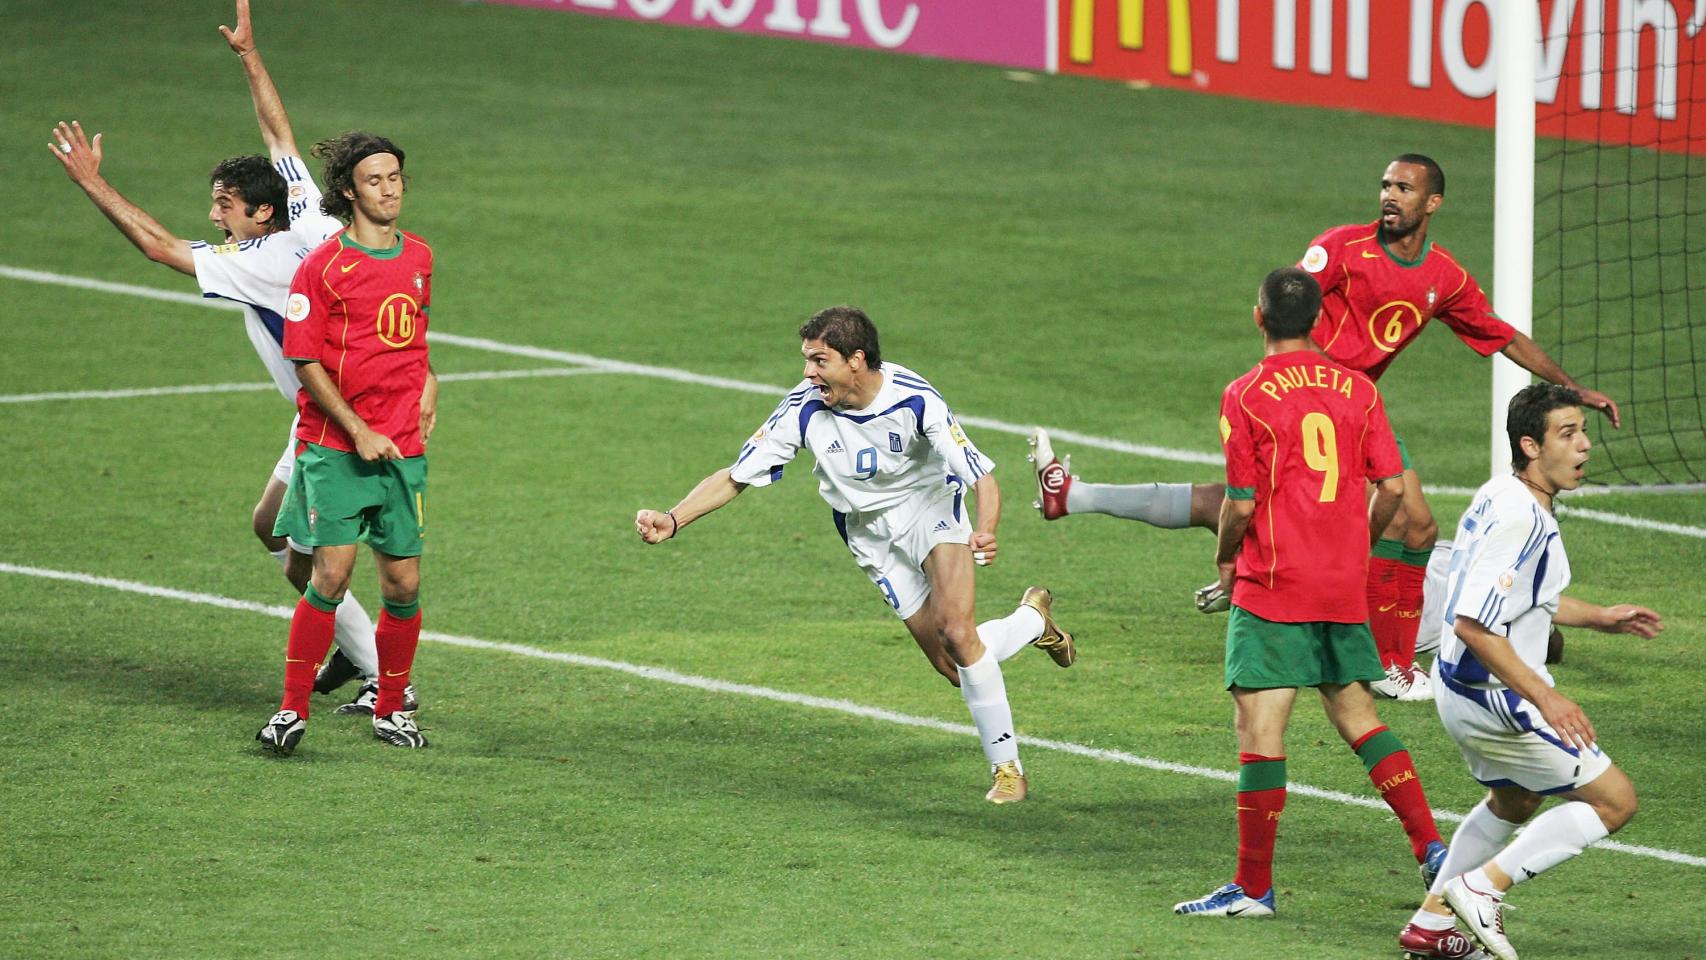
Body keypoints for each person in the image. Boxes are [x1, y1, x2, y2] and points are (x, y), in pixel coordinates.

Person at [1029, 154, 1620, 701]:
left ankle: (1076, 496)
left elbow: (1500, 333)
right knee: (1406, 524)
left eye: (1404, 188)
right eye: (1386, 185)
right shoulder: (1342, 247)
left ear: (1432, 203)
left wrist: (1569, 389)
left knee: (1263, 506)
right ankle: (1383, 662)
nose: (1390, 196)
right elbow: (1291, 301)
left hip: (1352, 407)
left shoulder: (1443, 276)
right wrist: (1305, 381)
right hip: (1314, 400)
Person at [46, 0, 409, 716]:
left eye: (225, 205)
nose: (215, 217)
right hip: (342, 397)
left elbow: (158, 247)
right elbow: (278, 131)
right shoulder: (305, 204)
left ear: (260, 214)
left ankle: (388, 684)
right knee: (274, 528)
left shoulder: (269, 260)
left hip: (341, 413)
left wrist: (90, 182)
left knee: (340, 557)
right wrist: (249, 56)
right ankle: (366, 659)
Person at [635, 306, 1075, 803]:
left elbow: (981, 477)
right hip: (869, 536)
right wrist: (673, 520)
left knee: (957, 629)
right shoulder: (804, 407)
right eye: (806, 360)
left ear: (855, 360)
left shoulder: (916, 401)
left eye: (819, 360)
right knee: (956, 666)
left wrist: (987, 529)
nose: (808, 372)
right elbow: (737, 474)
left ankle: (1007, 770)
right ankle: (1032, 621)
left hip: (930, 509)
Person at [1173, 267, 1448, 919]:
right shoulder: (1357, 390)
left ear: (1258, 317)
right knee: (1358, 716)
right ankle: (1434, 849)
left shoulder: (1245, 394)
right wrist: (1358, 545)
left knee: (1258, 726)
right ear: (1320, 321)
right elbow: (1389, 488)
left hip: (1274, 583)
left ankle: (1253, 887)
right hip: (1340, 581)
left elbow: (1239, 503)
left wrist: (1225, 562)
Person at [1396, 384, 1661, 960]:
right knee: (1615, 802)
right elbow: (1472, 621)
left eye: (1582, 432)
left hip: (1458, 686)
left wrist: (1598, 618)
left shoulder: (1504, 494)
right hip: (1493, 694)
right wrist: (1547, 698)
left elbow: (1512, 601)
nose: (1585, 446)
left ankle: (1433, 922)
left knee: (1514, 800)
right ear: (1530, 446)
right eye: (1568, 434)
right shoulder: (1524, 521)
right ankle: (1480, 887)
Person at [254, 129, 437, 754]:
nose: (388, 191)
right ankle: (291, 711)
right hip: (336, 448)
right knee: (330, 575)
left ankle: (392, 709)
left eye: (395, 178)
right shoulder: (322, 268)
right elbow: (305, 360)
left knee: (404, 585)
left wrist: (431, 381)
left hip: (403, 450)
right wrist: (357, 430)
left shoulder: (419, 258)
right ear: (348, 192)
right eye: (374, 181)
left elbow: (413, 337)